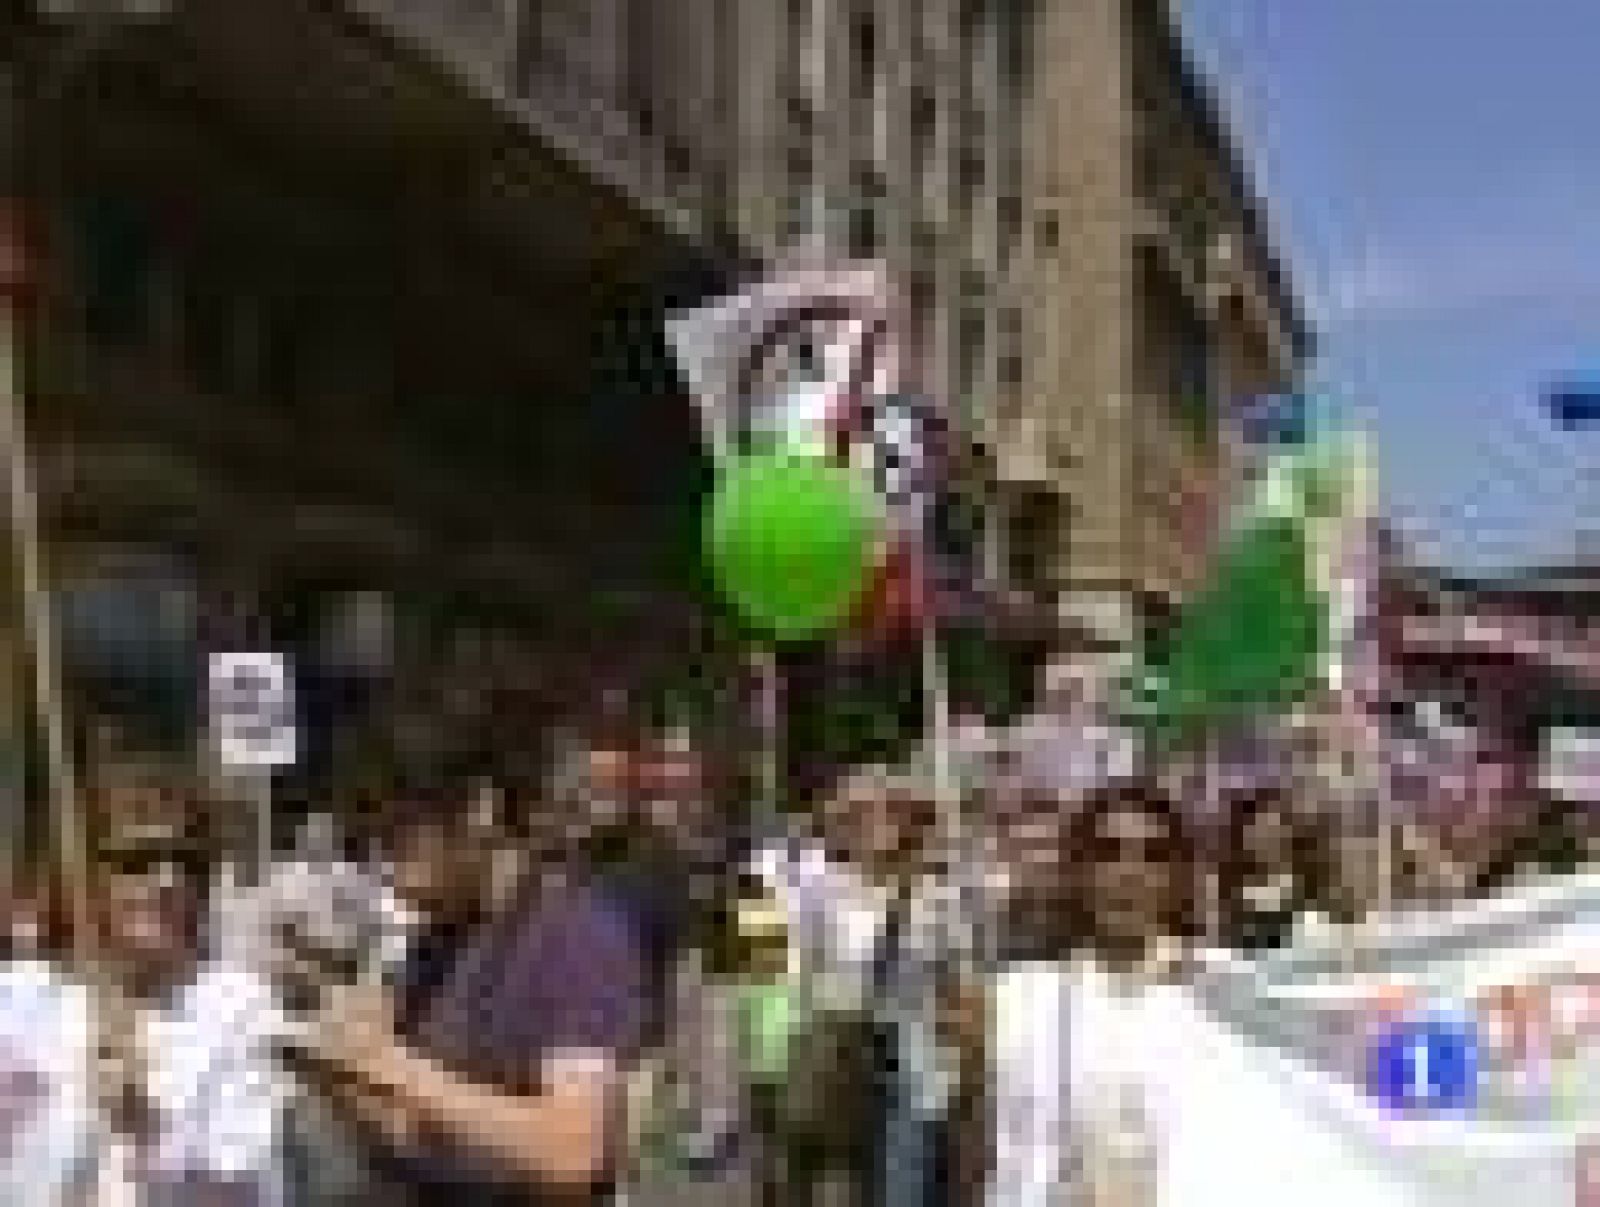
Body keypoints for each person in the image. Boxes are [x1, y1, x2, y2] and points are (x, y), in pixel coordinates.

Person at [290, 778, 649, 1205]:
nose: (383, 868)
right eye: (373, 842)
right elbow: (417, 1137)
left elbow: (571, 1152)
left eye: (397, 839)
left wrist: (388, 1063)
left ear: (479, 812)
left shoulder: (576, 936)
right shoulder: (434, 944)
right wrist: (338, 1072)